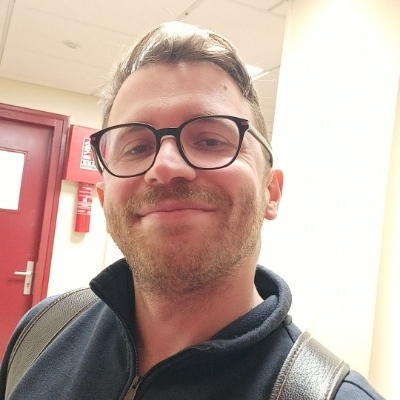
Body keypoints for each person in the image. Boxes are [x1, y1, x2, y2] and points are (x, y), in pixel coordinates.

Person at [0, 21, 384, 400]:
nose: (165, 166)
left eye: (211, 140)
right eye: (137, 147)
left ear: (271, 192)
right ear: (104, 199)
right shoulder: (41, 332)